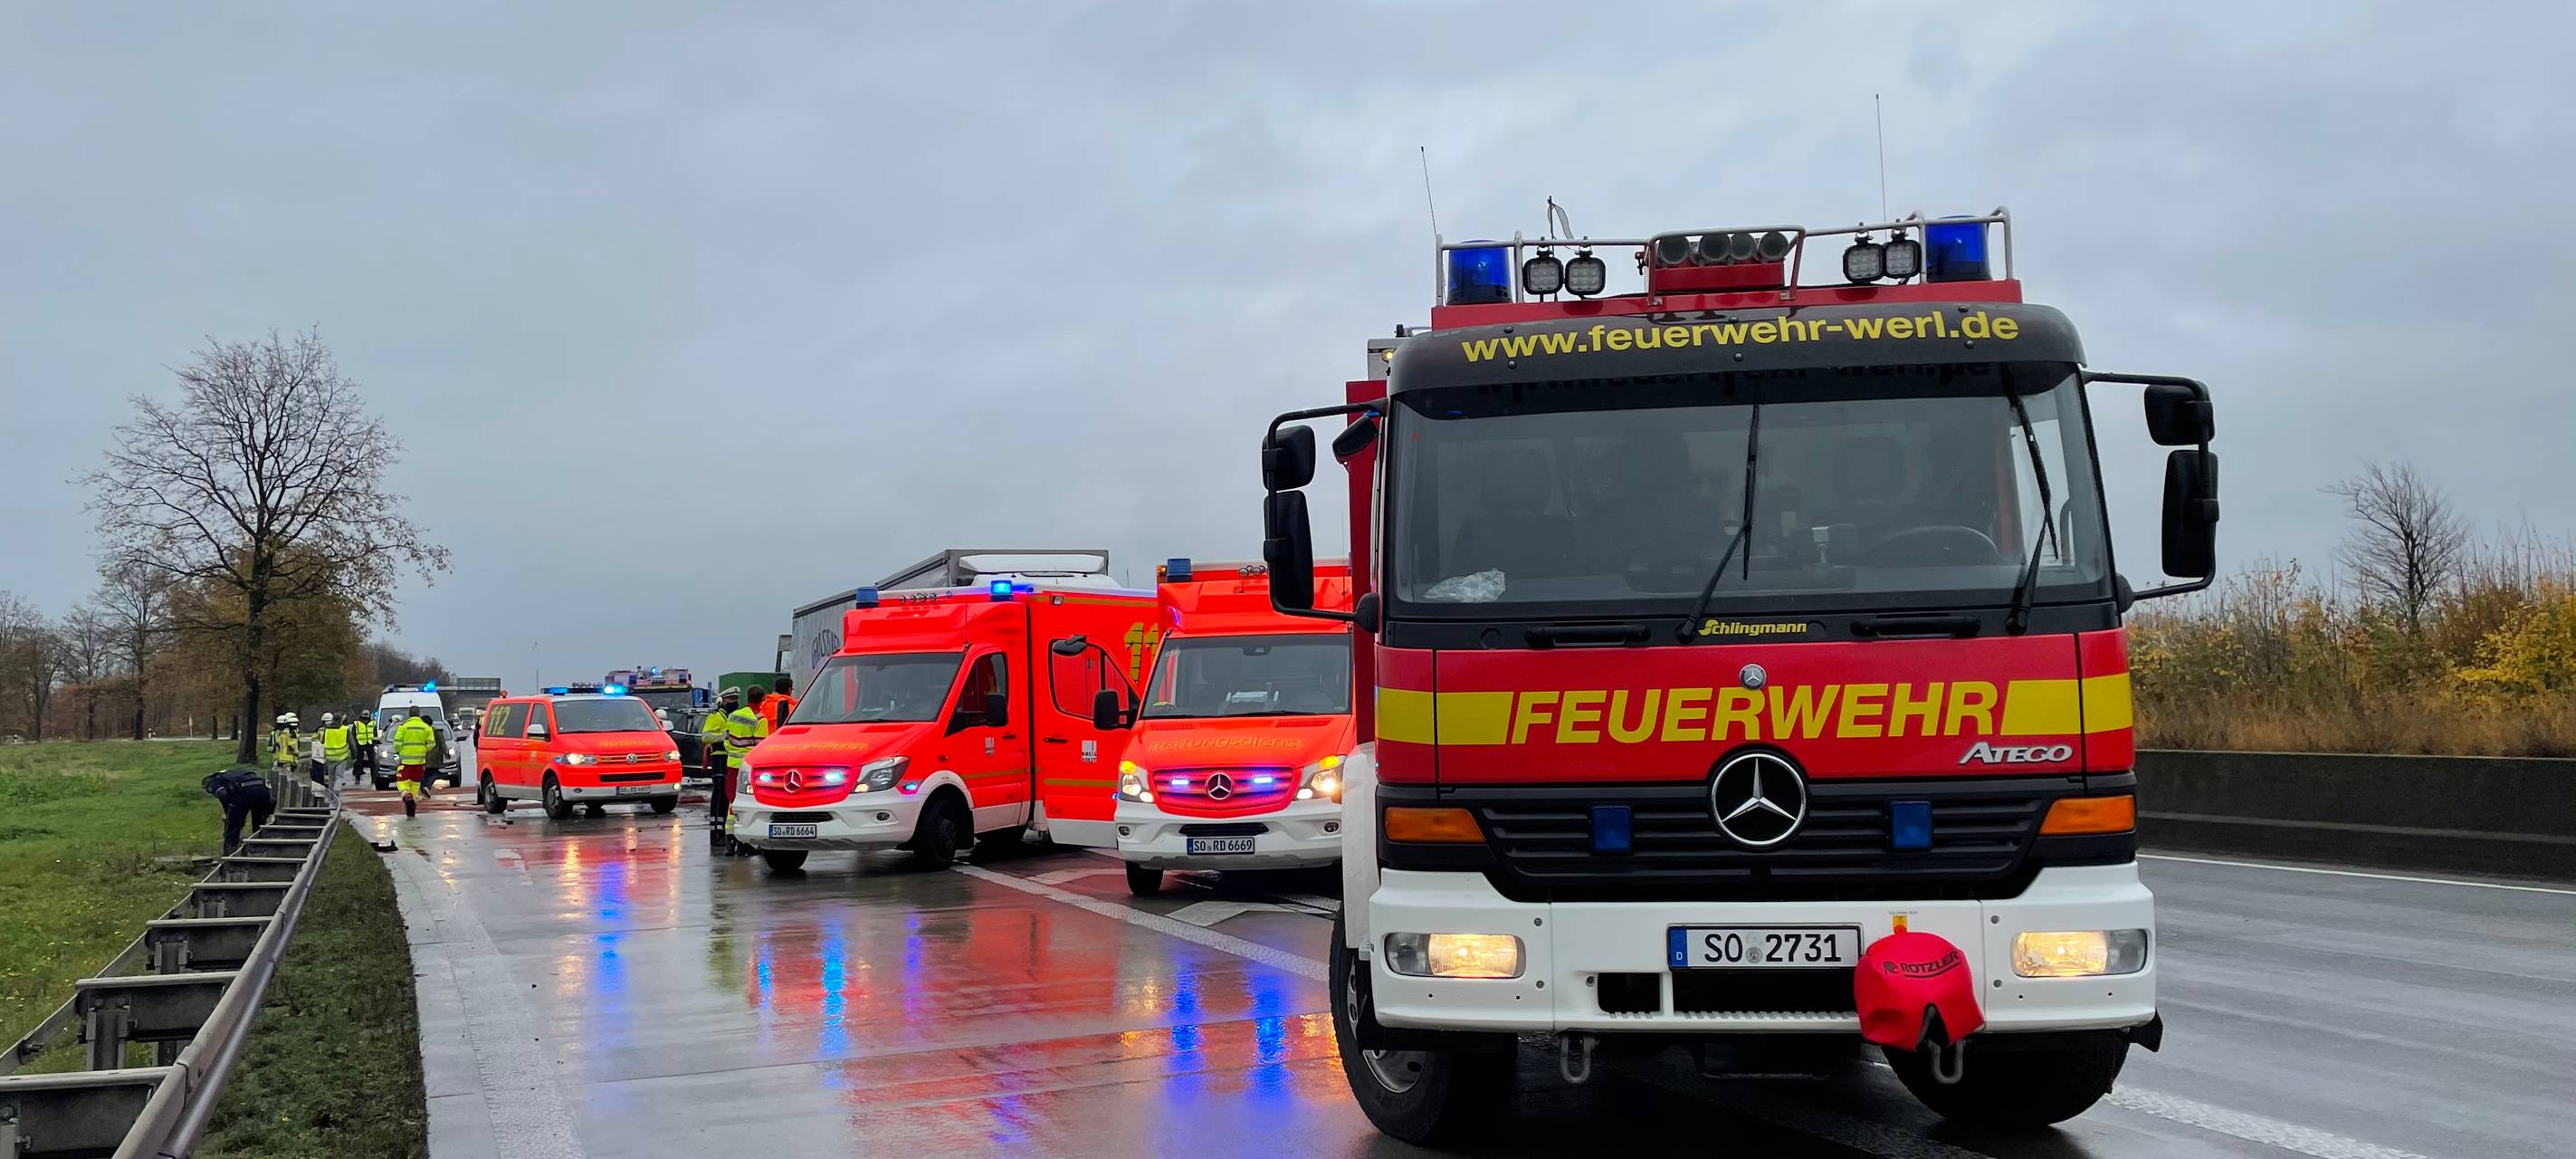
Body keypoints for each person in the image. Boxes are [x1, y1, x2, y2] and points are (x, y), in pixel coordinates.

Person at [720, 688, 774, 856]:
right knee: (748, 802)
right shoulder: (760, 719)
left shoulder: (734, 715)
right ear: (763, 699)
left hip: (732, 763)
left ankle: (730, 841)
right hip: (748, 766)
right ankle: (744, 843)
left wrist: (733, 752)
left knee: (732, 801)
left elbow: (727, 740)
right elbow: (761, 746)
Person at [702, 687, 744, 844]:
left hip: (728, 758)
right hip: (718, 758)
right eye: (731, 700)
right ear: (722, 701)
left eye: (735, 700)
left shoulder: (732, 716)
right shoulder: (716, 716)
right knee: (719, 794)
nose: (734, 703)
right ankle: (716, 832)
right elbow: (706, 736)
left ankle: (724, 830)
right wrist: (724, 736)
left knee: (726, 796)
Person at [203, 766, 276, 855]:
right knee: (259, 823)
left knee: (234, 825)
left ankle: (230, 852)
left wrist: (229, 814)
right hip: (263, 789)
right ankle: (260, 848)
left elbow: (222, 795)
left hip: (245, 791)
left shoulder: (212, 781)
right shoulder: (235, 773)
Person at [393, 711, 438, 819]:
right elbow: (432, 743)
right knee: (415, 784)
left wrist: (400, 752)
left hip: (405, 762)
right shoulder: (426, 727)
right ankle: (411, 808)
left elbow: (397, 743)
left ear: (409, 714)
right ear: (419, 714)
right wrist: (423, 750)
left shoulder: (403, 727)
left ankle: (406, 795)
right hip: (419, 763)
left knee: (402, 783)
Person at [318, 713, 354, 788]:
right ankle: (336, 794)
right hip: (341, 757)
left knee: (331, 777)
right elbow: (352, 744)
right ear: (341, 720)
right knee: (339, 777)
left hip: (330, 757)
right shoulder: (345, 729)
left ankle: (331, 795)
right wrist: (354, 755)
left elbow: (322, 742)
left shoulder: (327, 729)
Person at [269, 713, 302, 780]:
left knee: (280, 775)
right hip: (289, 758)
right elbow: (292, 744)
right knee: (289, 776)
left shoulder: (278, 732)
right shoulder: (290, 732)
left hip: (280, 757)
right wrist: (296, 753)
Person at [353, 711, 379, 784]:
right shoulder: (357, 723)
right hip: (360, 744)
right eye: (365, 714)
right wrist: (355, 744)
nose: (366, 716)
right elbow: (354, 734)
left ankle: (373, 780)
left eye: (367, 714)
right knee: (359, 763)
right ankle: (357, 779)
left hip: (370, 744)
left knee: (372, 763)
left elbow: (375, 734)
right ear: (361, 715)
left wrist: (375, 744)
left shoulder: (373, 723)